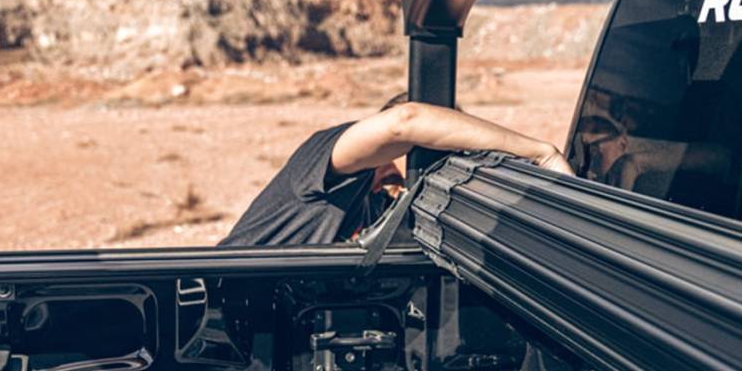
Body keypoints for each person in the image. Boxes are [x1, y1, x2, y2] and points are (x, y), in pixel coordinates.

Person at [218, 93, 573, 246]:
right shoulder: (322, 160)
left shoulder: (386, 205)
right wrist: (542, 154)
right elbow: (407, 120)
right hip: (220, 316)